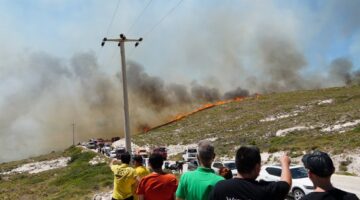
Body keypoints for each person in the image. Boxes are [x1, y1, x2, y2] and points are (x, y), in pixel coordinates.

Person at [209, 145, 292, 200]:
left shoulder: (219, 187)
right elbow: (286, 184)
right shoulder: (264, 190)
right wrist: (285, 163)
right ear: (256, 167)